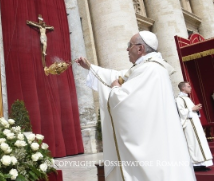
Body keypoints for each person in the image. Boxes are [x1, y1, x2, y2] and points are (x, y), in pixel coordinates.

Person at [75, 31, 195, 181]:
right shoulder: (146, 67)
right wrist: (90, 67)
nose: (127, 49)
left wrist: (115, 90)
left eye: (129, 45)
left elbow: (126, 102)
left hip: (152, 140)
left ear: (140, 48)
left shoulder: (149, 69)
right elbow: (117, 75)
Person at [176, 82, 213, 171]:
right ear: (183, 88)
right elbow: (180, 112)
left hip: (195, 124)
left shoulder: (187, 98)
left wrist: (196, 109)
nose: (190, 88)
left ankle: (203, 163)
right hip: (189, 125)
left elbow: (191, 111)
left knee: (200, 142)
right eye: (188, 86)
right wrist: (192, 109)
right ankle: (196, 164)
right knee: (194, 144)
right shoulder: (179, 99)